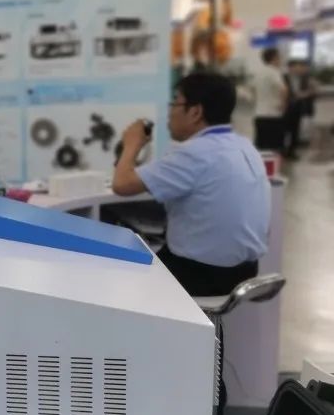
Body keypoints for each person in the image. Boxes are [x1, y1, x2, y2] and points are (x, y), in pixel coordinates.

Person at [112, 73, 270, 297]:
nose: (169, 112)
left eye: (175, 102)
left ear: (195, 112)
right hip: (245, 272)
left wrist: (132, 144)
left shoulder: (195, 152)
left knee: (119, 273)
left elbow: (121, 185)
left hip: (200, 275)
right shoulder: (245, 146)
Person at [248, 47, 288, 151]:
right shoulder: (274, 72)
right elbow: (283, 89)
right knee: (274, 147)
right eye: (279, 58)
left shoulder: (258, 73)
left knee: (261, 146)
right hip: (273, 114)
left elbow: (252, 90)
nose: (280, 60)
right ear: (274, 58)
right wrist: (283, 105)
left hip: (259, 114)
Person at [283, 59, 317, 160]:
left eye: (299, 67)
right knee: (284, 130)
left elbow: (311, 92)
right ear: (290, 68)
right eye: (296, 66)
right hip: (285, 107)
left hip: (298, 107)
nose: (298, 69)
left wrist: (307, 93)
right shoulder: (283, 77)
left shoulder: (304, 78)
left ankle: (292, 151)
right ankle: (282, 150)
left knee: (295, 130)